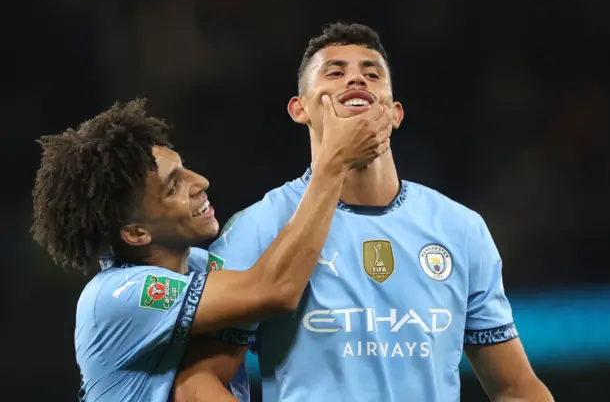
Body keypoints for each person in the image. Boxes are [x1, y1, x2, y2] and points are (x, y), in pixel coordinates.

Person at [184, 22, 554, 401]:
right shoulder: (257, 227)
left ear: (394, 113)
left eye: (371, 73)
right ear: (300, 109)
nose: (356, 79)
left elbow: (516, 389)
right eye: (336, 72)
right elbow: (197, 382)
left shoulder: (460, 229)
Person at [30, 97, 392, 401]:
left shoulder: (203, 265)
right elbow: (272, 290)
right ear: (137, 233)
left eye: (184, 169)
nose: (200, 182)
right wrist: (331, 164)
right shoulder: (114, 297)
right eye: (174, 187)